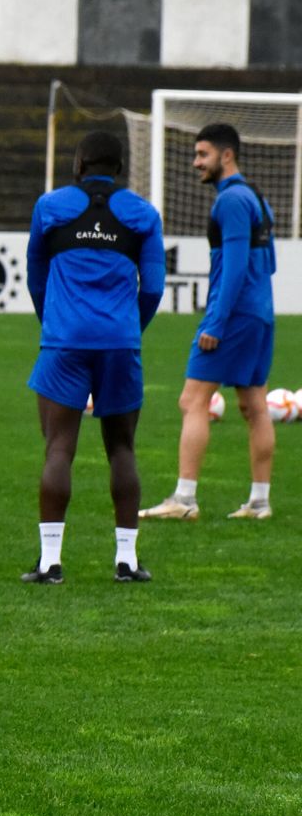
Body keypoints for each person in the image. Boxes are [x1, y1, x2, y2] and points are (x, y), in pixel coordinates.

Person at [23, 132, 165, 584]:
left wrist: (55, 322)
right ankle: (126, 560)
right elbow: (155, 287)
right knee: (122, 448)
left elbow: (36, 275)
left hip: (64, 340)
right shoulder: (143, 214)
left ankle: (50, 563)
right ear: (120, 167)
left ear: (79, 161)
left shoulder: (50, 207)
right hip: (120, 343)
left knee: (59, 447)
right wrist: (128, 329)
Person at [142, 122, 278, 522]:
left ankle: (184, 499)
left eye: (202, 154)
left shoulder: (231, 201)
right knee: (255, 406)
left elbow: (235, 266)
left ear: (227, 155)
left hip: (233, 315)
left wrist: (216, 322)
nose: (195, 162)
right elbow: (266, 264)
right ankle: (259, 501)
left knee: (193, 400)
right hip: (259, 313)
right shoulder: (255, 196)